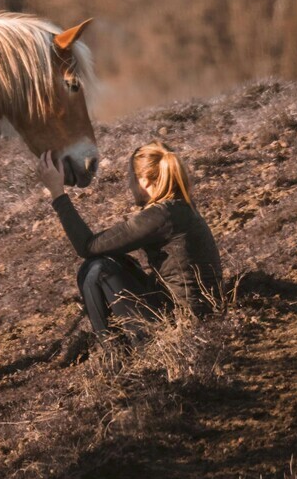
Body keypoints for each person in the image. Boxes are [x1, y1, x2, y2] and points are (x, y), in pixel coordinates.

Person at [37, 140, 222, 347]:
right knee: (111, 261)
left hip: (182, 321)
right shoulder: (180, 207)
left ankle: (115, 354)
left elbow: (87, 246)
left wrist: (57, 193)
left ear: (144, 181)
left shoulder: (161, 215)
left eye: (131, 179)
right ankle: (118, 348)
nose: (129, 186)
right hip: (195, 312)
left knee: (97, 269)